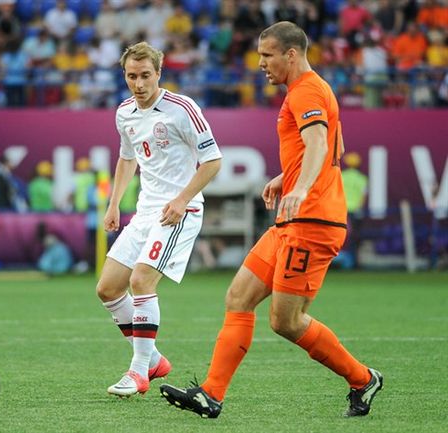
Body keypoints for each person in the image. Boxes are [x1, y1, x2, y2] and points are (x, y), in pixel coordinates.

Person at [160, 22, 383, 419]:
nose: (260, 63)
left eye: (267, 55)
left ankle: (363, 379)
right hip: (292, 218)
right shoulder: (308, 91)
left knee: (286, 321)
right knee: (238, 298)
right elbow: (336, 146)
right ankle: (211, 394)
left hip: (313, 221)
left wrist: (301, 188)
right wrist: (287, 178)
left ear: (291, 55)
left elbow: (318, 144)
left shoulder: (308, 90)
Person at [96, 41, 222, 397]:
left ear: (159, 73)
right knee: (107, 288)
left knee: (141, 280)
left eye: (145, 76)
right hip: (145, 211)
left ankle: (138, 372)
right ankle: (152, 359)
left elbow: (213, 161)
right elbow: (126, 159)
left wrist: (182, 199)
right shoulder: (124, 113)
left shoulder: (182, 108)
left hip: (179, 210)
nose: (138, 84)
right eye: (131, 76)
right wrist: (113, 203)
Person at [340, 151, 368, 268]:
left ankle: (335, 263)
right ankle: (353, 263)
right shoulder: (362, 179)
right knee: (355, 238)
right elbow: (363, 196)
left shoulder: (341, 175)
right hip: (355, 212)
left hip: (340, 210)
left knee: (339, 237)